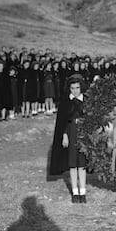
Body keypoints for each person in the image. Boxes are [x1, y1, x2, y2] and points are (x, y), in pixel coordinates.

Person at [49, 74, 87, 203]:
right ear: (69, 89)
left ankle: (83, 191)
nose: (75, 91)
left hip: (82, 134)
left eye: (77, 87)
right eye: (72, 88)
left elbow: (90, 120)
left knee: (82, 164)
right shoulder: (65, 102)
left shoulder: (86, 101)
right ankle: (75, 192)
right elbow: (63, 122)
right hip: (70, 133)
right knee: (72, 164)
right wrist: (64, 135)